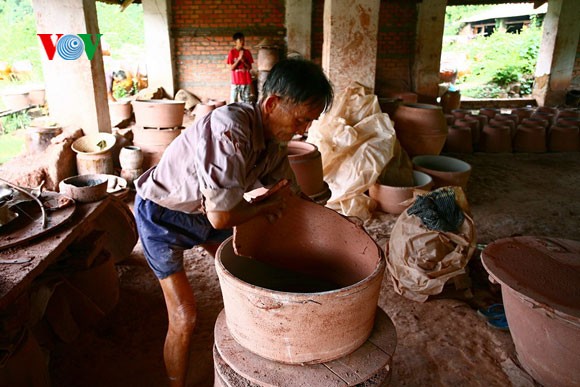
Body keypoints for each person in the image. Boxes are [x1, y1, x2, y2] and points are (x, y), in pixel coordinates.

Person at [133, 58, 333, 387]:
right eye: (301, 119)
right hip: (161, 215)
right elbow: (222, 216)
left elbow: (291, 194)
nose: (304, 130)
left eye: (309, 122)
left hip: (207, 211)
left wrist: (329, 221)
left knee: (250, 275)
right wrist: (262, 209)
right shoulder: (230, 129)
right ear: (271, 104)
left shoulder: (274, 141)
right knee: (185, 316)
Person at [226, 32, 254, 103]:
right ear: (235, 42)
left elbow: (249, 68)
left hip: (246, 81)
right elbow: (231, 68)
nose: (243, 42)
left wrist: (243, 60)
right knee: (233, 102)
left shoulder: (247, 52)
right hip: (236, 81)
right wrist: (239, 59)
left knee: (247, 102)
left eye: (243, 40)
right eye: (240, 40)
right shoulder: (232, 52)